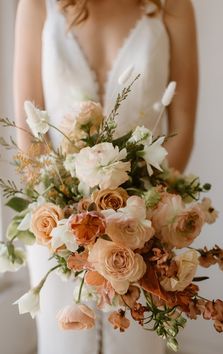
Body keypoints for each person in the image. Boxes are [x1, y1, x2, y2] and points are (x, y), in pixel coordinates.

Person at [13, 0, 198, 353]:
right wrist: (70, 221)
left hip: (144, 233)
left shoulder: (173, 5)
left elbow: (183, 128)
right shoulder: (36, 4)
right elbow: (28, 130)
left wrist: (140, 221)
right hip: (59, 233)